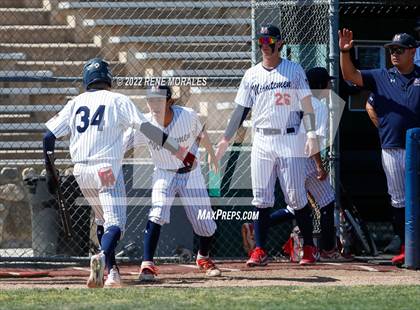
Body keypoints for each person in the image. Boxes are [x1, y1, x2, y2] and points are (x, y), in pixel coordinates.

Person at [43, 59, 195, 288]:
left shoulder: (75, 102)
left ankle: (111, 273)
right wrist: (180, 150)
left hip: (81, 172)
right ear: (109, 78)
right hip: (105, 171)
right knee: (115, 224)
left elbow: (48, 137)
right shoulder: (118, 100)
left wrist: (50, 172)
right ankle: (102, 258)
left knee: (103, 220)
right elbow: (148, 129)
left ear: (86, 79)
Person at [215, 25, 320, 266]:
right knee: (261, 198)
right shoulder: (252, 74)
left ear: (280, 43)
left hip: (290, 137)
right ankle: (260, 250)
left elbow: (306, 103)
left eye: (269, 39)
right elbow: (240, 110)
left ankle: (310, 248)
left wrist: (312, 132)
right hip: (262, 139)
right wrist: (225, 138)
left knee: (296, 197)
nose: (264, 43)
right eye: (261, 39)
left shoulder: (293, 70)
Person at [242, 67, 348, 261]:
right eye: (327, 82)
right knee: (326, 201)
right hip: (304, 159)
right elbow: (312, 139)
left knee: (295, 206)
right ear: (319, 85)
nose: (330, 85)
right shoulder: (317, 105)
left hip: (286, 153)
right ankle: (326, 250)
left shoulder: (294, 99)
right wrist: (319, 165)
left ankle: (254, 226)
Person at [124, 85, 222, 280]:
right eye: (150, 100)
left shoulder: (187, 115)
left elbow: (200, 130)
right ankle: (147, 264)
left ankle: (203, 257)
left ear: (170, 102)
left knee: (207, 226)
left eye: (159, 100)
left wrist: (211, 153)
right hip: (164, 173)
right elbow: (120, 145)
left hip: (191, 174)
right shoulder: (144, 124)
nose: (154, 105)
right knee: (157, 212)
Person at [339, 29, 420, 265]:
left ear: (412, 52)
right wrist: (345, 51)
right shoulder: (382, 76)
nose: (394, 54)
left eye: (399, 50)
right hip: (393, 146)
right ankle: (408, 247)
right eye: (392, 50)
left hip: (418, 144)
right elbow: (351, 75)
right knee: (399, 200)